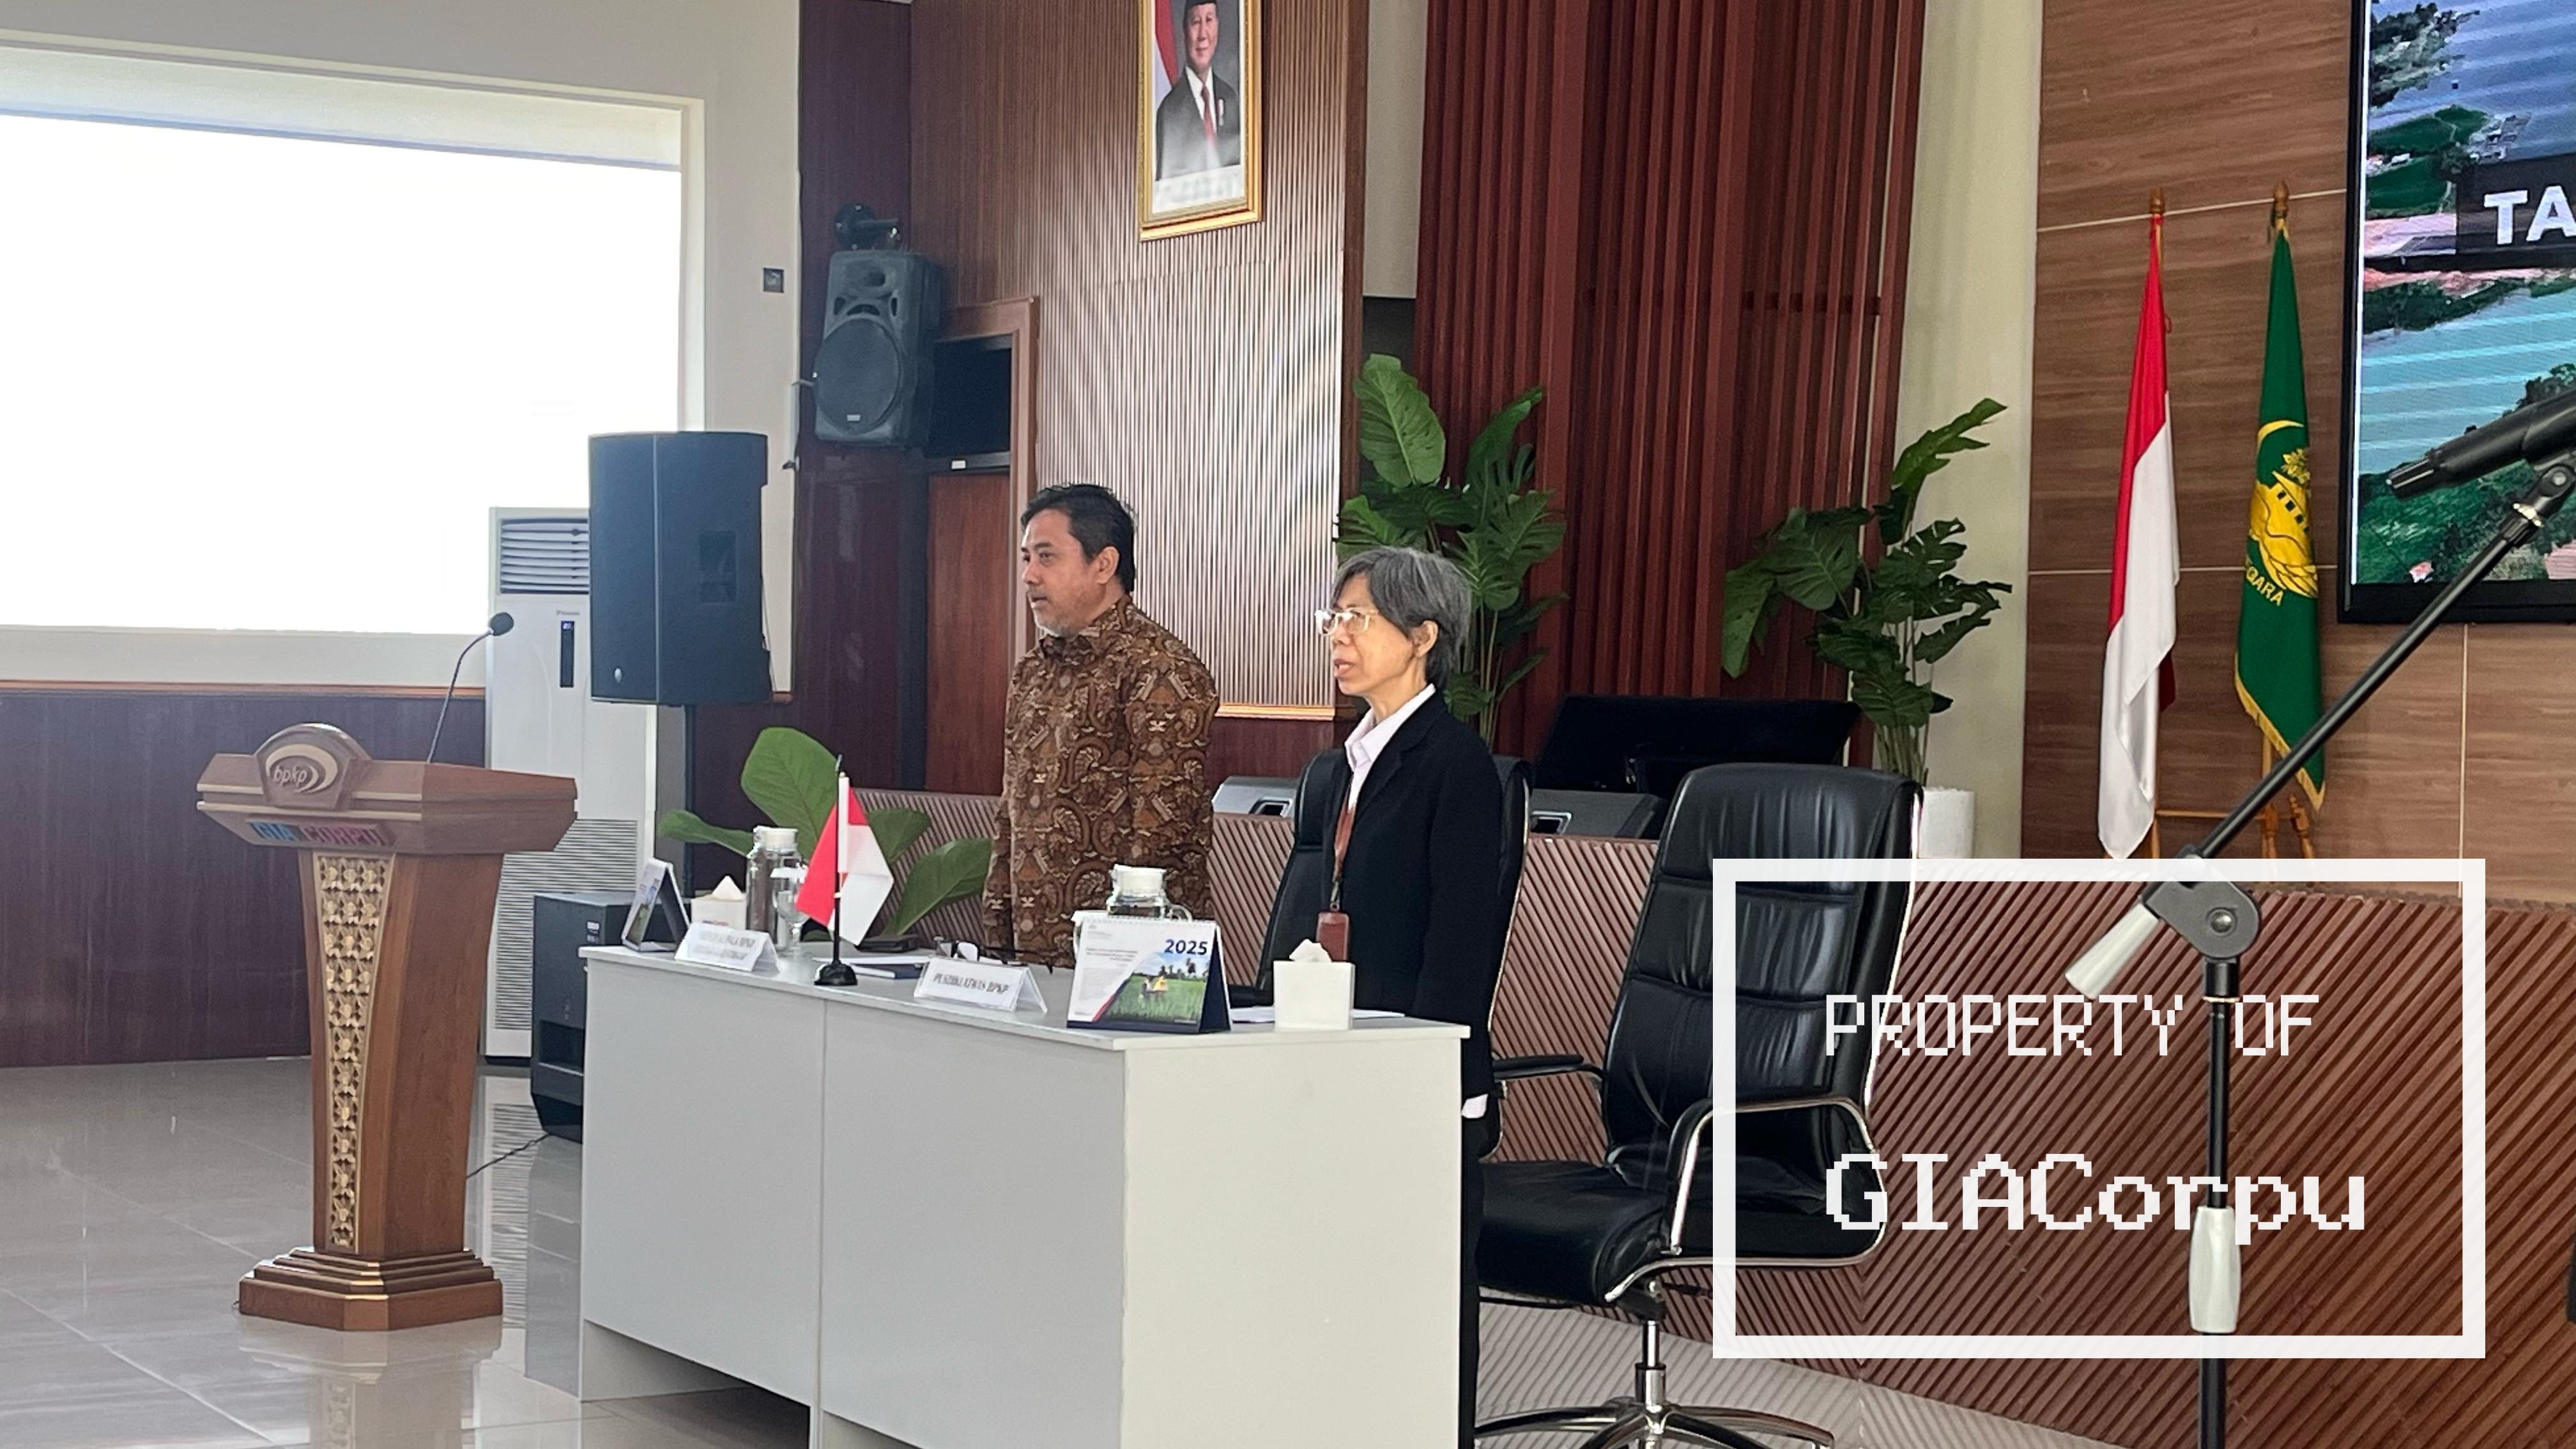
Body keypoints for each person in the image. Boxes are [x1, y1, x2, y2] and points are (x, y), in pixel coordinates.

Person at [1295, 546, 1505, 1446]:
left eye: (1360, 620)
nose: (1338, 637)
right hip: (1343, 1051)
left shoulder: (1454, 764)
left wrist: (1428, 1071)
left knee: (1422, 1296)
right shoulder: (1346, 761)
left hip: (1415, 1069)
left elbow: (1462, 943)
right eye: (1334, 619)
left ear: (1422, 637)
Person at [981, 483, 1218, 967]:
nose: (1029, 575)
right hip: (1029, 951)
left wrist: (1114, 954)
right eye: (1027, 558)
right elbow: (1012, 815)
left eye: (1047, 557)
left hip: (1129, 960)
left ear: (1104, 564)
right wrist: (998, 931)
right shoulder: (1032, 670)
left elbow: (1160, 835)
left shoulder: (1159, 668)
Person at [1153, 0, 1242, 180]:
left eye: (1209, 20)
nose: (1203, 35)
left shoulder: (1229, 98)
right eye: (1195, 22)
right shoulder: (1170, 111)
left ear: (1217, 26)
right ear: (1185, 30)